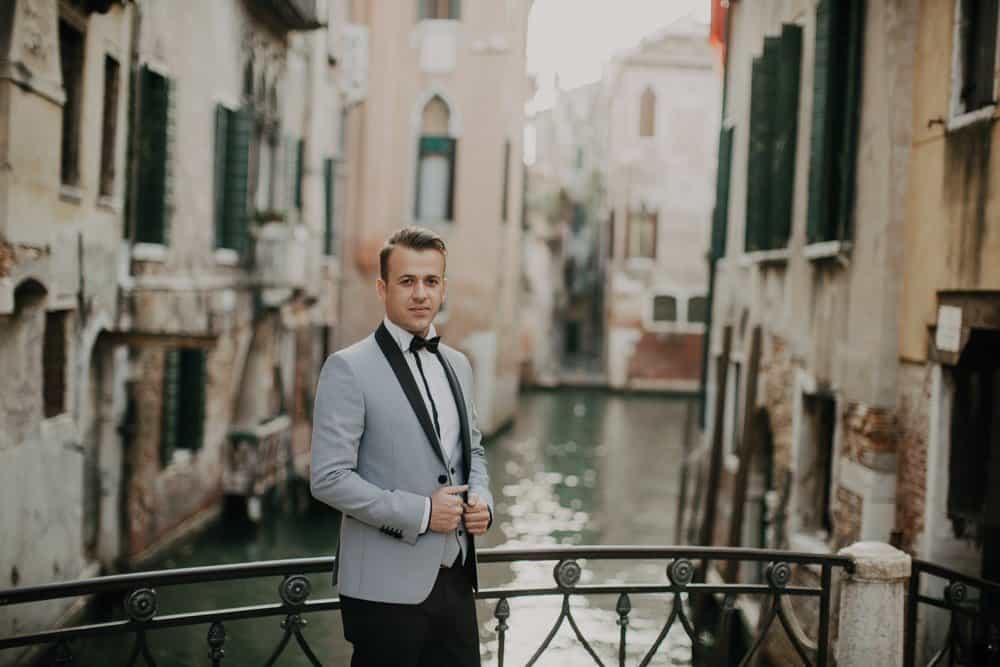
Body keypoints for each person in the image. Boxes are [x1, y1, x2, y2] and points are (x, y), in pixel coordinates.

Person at [310, 226, 493, 666]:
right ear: (382, 288)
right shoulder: (347, 369)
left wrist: (482, 501)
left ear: (443, 288)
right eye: (407, 281)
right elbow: (328, 479)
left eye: (431, 282)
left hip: (455, 581)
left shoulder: (458, 365)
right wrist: (424, 513)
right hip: (383, 590)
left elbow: (475, 454)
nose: (420, 294)